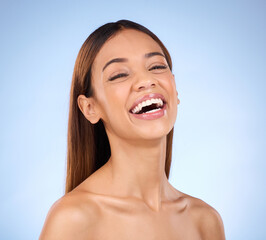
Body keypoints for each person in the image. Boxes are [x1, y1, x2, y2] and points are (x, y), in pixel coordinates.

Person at [39, 19, 225, 239]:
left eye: (156, 67)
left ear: (175, 90)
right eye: (119, 75)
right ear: (90, 108)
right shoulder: (73, 218)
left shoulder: (205, 220)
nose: (146, 80)